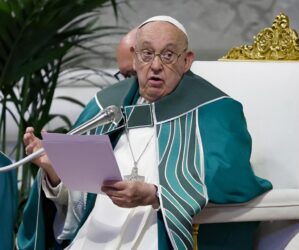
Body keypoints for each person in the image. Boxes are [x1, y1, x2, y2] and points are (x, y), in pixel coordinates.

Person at [17, 16, 272, 249]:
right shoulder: (106, 106)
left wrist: (155, 194)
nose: (157, 65)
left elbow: (233, 178)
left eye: (169, 55)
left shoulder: (215, 110)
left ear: (187, 61)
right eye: (147, 54)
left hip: (158, 235)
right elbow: (81, 204)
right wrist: (55, 171)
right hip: (95, 237)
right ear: (135, 57)